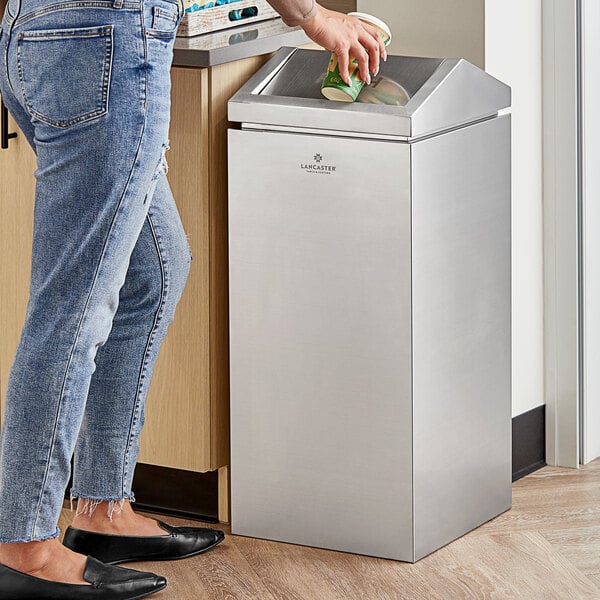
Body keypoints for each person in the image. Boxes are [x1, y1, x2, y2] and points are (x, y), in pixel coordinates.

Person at [0, 0, 385, 596]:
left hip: (49, 34)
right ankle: (22, 543)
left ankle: (103, 509)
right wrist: (312, 16)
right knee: (72, 309)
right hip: (106, 41)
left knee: (153, 271)